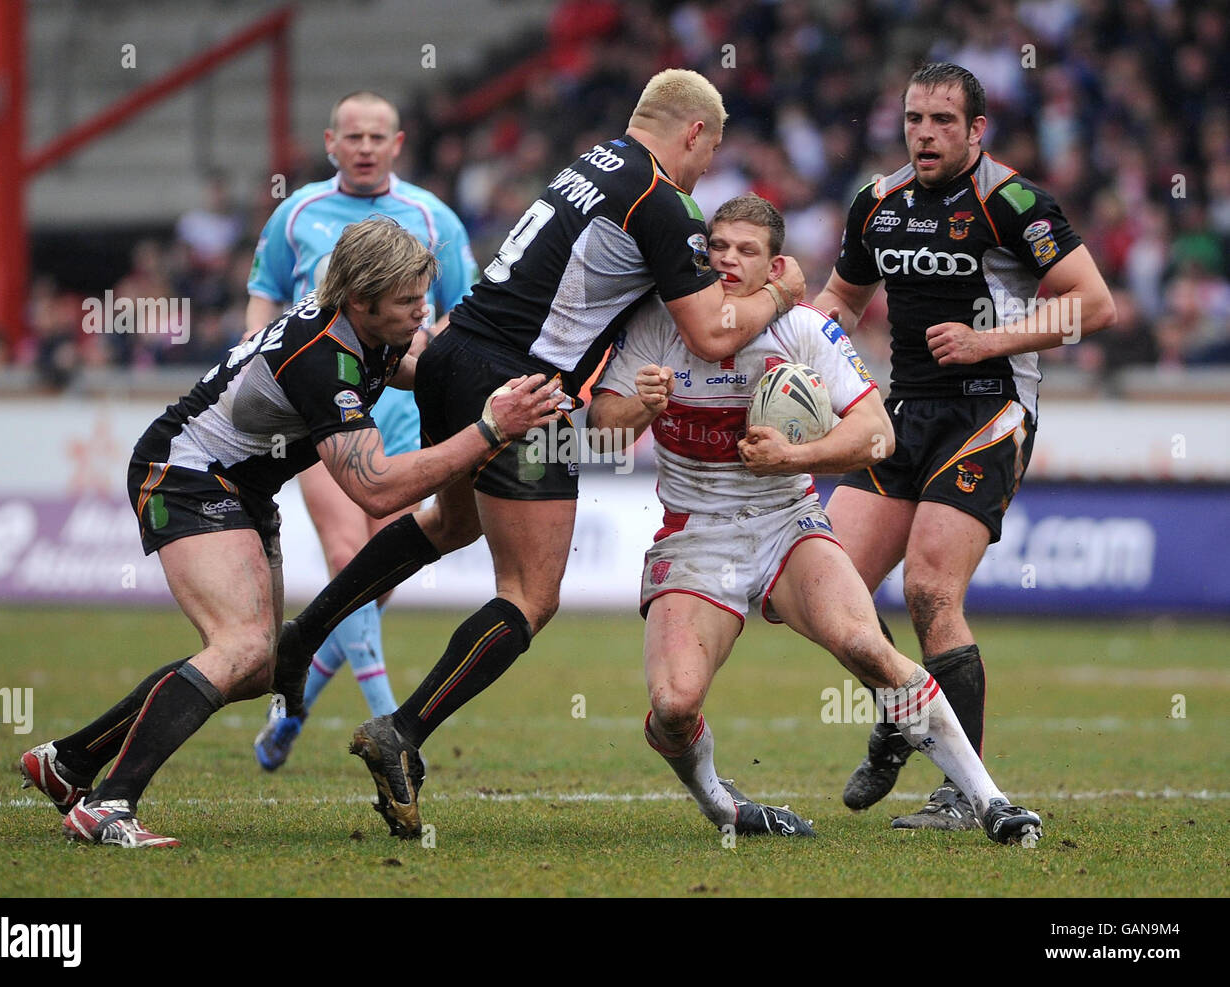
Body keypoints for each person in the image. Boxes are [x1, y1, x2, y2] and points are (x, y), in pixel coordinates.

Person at [271, 69, 808, 839]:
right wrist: (780, 294)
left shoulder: (595, 161)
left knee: (448, 524)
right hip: (520, 388)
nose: (704, 172)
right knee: (532, 593)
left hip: (458, 354)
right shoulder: (660, 197)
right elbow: (714, 332)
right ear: (693, 132)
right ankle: (404, 730)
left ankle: (304, 633)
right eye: (710, 151)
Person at [18, 219, 562, 847]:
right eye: (410, 302)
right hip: (185, 477)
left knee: (254, 667)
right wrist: (491, 429)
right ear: (360, 300)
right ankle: (108, 804)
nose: (423, 313)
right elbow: (376, 487)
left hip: (241, 488)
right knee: (242, 649)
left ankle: (71, 761)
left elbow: (432, 364)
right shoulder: (321, 357)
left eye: (423, 298)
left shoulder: (373, 327)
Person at [587, 193, 1042, 845]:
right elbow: (601, 428)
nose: (728, 261)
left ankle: (991, 801)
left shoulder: (803, 329)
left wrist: (795, 456)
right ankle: (725, 806)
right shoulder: (661, 322)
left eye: (747, 251)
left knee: (867, 647)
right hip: (695, 537)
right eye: (718, 247)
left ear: (776, 268)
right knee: (674, 705)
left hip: (786, 525)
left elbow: (876, 434)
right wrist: (638, 406)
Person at [812, 63, 1115, 830]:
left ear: (977, 131)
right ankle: (900, 706)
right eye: (914, 119)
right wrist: (792, 356)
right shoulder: (876, 203)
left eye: (943, 121)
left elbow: (1096, 305)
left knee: (928, 591)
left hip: (991, 411)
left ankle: (959, 791)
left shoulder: (1012, 201)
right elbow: (841, 301)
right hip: (902, 412)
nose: (925, 133)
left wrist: (990, 341)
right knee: (826, 582)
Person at [246, 92, 478, 771]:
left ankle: (294, 701)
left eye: (379, 136)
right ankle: (389, 724)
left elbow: (461, 314)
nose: (366, 146)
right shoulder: (298, 214)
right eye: (354, 136)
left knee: (372, 582)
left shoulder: (434, 218)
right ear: (330, 141)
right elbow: (264, 292)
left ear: (399, 143)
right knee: (347, 559)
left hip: (406, 413)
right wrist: (259, 360)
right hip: (319, 410)